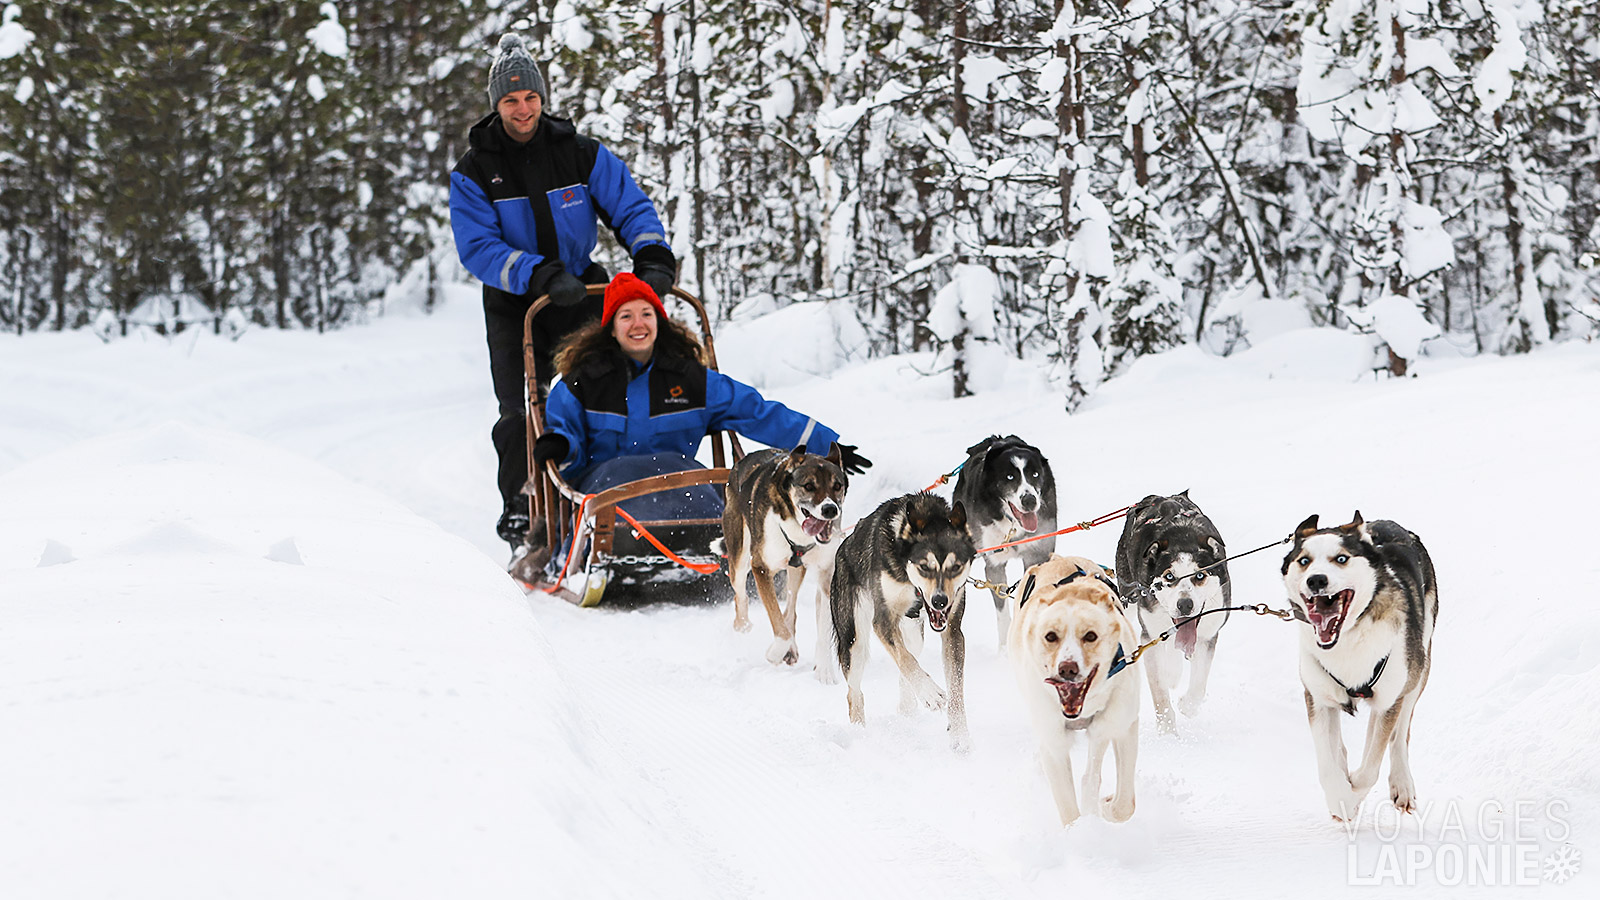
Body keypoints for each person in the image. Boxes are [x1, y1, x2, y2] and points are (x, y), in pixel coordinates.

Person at [449, 32, 678, 547]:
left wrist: (652, 257)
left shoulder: (578, 153)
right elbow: (478, 248)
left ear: (542, 98)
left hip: (582, 291)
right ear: (496, 105)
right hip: (516, 302)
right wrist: (538, 274)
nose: (522, 109)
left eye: (530, 97)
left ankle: (617, 495)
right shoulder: (474, 171)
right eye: (511, 100)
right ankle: (522, 510)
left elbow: (630, 206)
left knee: (606, 392)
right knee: (521, 409)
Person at [533, 274, 871, 518]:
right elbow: (567, 441)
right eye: (626, 316)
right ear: (611, 326)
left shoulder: (691, 381)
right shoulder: (581, 383)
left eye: (646, 314)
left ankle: (727, 552)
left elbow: (758, 413)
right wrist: (561, 445)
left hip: (679, 482)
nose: (638, 324)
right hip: (608, 489)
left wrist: (826, 448)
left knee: (710, 496)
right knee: (620, 490)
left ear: (659, 321)